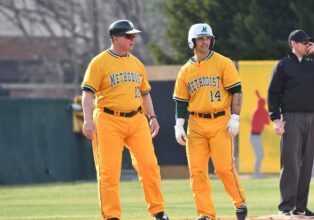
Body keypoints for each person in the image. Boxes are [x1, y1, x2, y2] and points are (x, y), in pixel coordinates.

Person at [81, 19, 169, 220]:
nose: (133, 39)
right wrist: (87, 120)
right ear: (115, 38)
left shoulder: (136, 63)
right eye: (128, 35)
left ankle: (158, 212)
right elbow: (88, 94)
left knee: (149, 166)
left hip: (137, 119)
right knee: (109, 171)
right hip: (108, 119)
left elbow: (145, 93)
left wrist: (152, 116)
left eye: (133, 35)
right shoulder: (99, 62)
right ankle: (111, 216)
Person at [173, 23, 247, 220]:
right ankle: (206, 213)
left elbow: (236, 91)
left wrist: (235, 117)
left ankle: (239, 202)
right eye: (201, 38)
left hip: (220, 121)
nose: (205, 41)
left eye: (207, 38)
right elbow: (181, 100)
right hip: (196, 124)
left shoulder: (223, 62)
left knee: (223, 168)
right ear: (192, 41)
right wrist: (179, 124)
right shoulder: (185, 70)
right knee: (197, 171)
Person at [268, 29, 314, 218]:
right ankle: (285, 208)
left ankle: (300, 208)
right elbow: (273, 94)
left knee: (306, 164)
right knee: (290, 163)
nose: (308, 45)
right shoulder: (283, 65)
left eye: (309, 42)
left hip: (311, 117)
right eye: (304, 42)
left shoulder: (313, 64)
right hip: (291, 117)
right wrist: (276, 119)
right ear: (293, 44)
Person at [250, 90, 270, 178]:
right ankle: (256, 173)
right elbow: (268, 122)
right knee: (260, 155)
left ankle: (256, 173)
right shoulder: (262, 112)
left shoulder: (256, 111)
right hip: (255, 136)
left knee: (260, 155)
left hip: (255, 136)